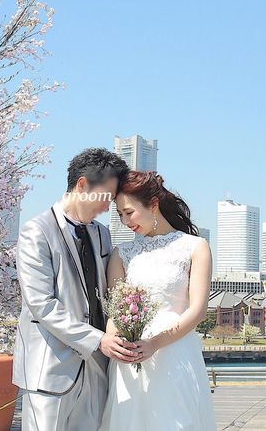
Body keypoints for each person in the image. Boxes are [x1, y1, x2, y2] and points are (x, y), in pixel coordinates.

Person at [13, 148, 139, 431]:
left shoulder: (101, 233)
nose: (108, 208)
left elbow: (108, 293)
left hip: (97, 367)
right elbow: (41, 303)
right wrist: (97, 339)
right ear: (82, 185)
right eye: (106, 197)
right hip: (50, 367)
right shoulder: (37, 231)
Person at [98, 170, 215, 430]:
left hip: (175, 352)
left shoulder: (195, 247)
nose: (125, 221)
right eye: (120, 214)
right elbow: (116, 311)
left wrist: (155, 343)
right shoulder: (122, 253)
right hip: (130, 355)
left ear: (153, 204)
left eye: (129, 212)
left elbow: (198, 310)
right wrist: (114, 340)